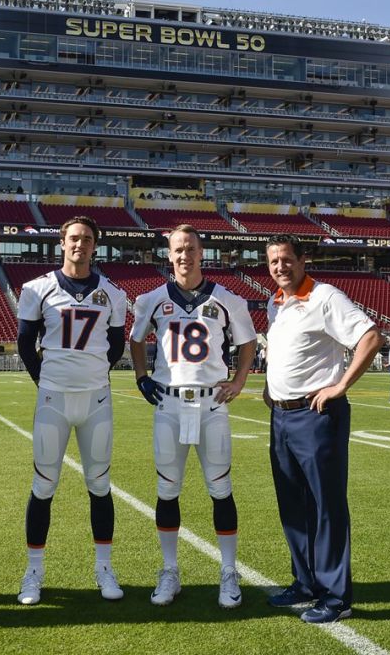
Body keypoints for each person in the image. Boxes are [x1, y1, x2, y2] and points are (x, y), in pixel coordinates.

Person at [130, 224, 257, 609]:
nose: (184, 255)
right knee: (168, 490)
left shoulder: (227, 300)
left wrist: (238, 381)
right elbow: (135, 340)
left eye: (190, 248)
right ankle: (170, 570)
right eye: (178, 249)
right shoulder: (151, 299)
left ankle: (228, 571)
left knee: (220, 489)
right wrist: (140, 377)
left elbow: (248, 341)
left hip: (211, 405)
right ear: (169, 256)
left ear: (202, 253)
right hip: (169, 404)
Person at [261, 234, 380, 624]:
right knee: (293, 506)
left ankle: (335, 595)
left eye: (286, 259)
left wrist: (341, 384)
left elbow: (370, 336)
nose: (280, 266)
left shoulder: (325, 296)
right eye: (273, 261)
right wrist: (271, 388)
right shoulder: (275, 304)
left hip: (316, 415)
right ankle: (305, 581)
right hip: (281, 416)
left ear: (302, 260)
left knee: (325, 506)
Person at [15, 215, 129, 605]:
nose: (79, 244)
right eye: (73, 238)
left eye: (87, 239)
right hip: (54, 399)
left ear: (95, 245)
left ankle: (104, 568)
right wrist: (46, 381)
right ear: (62, 243)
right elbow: (25, 345)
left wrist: (91, 372)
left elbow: (114, 346)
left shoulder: (113, 293)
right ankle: (33, 571)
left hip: (96, 399)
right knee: (43, 486)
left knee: (99, 485)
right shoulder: (38, 289)